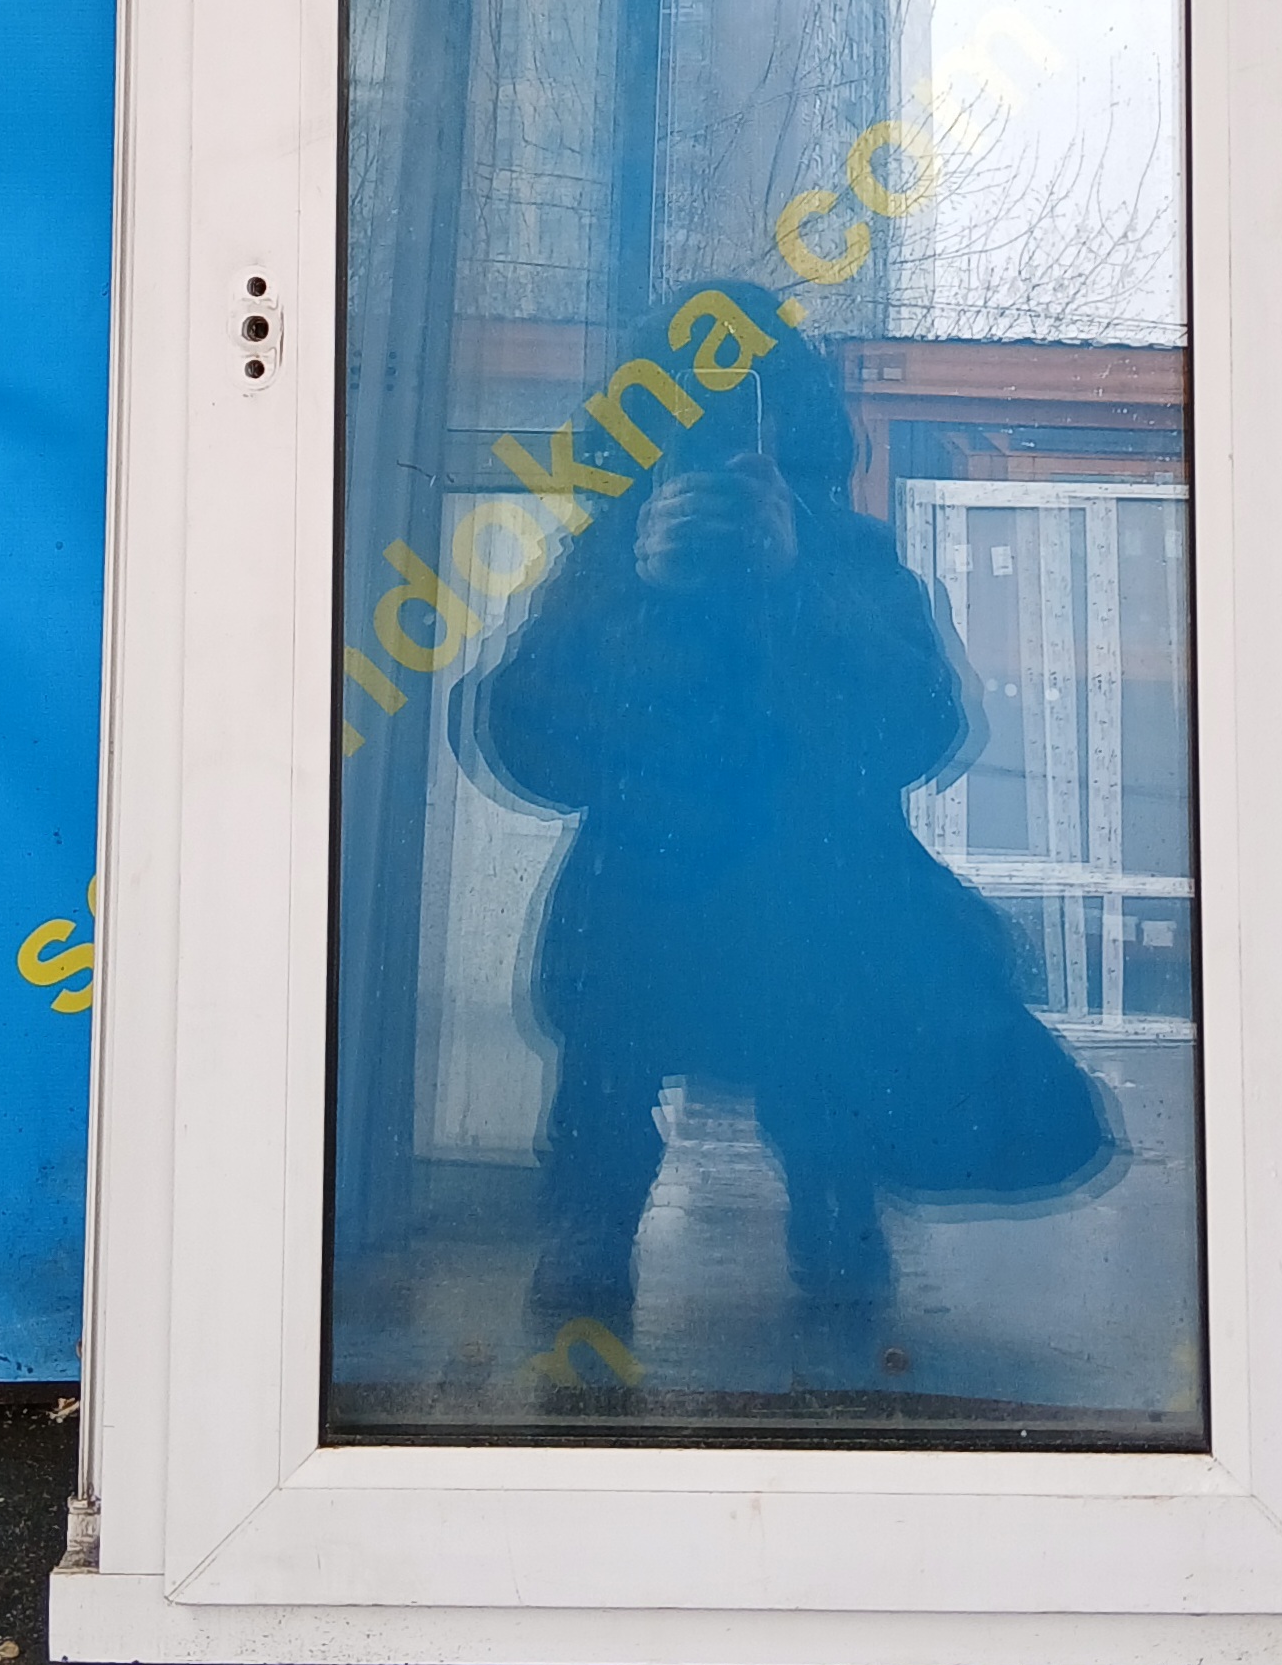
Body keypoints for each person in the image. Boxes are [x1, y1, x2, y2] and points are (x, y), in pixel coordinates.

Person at [458, 284, 1115, 1376]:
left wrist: (790, 585)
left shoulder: (842, 556)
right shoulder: (610, 559)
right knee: (613, 1071)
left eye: (748, 416)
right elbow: (532, 745)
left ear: (789, 425)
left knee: (817, 1055)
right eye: (685, 420)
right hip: (659, 898)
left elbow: (919, 728)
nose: (719, 451)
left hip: (805, 899)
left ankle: (828, 1208)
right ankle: (597, 1225)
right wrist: (643, 596)